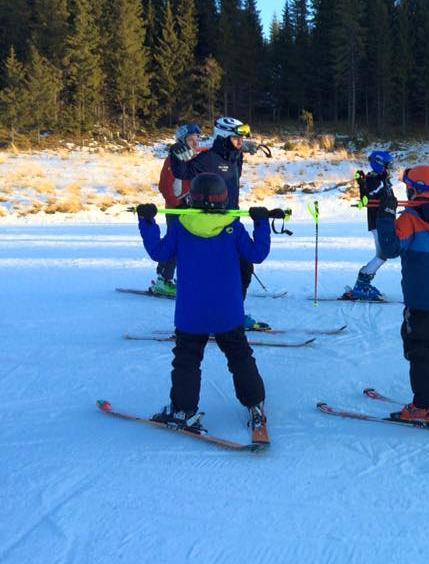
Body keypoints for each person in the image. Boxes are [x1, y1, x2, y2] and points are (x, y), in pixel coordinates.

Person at [136, 173, 272, 433]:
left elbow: (159, 252)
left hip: (191, 312)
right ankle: (255, 403)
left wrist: (147, 221)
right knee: (239, 356)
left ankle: (182, 408)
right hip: (227, 310)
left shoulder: (182, 226)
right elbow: (257, 253)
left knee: (187, 360)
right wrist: (262, 223)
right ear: (224, 199)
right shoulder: (233, 227)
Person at [169, 116, 267, 330]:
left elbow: (234, 157)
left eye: (241, 139)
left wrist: (244, 147)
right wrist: (175, 155)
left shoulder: (234, 156)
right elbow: (182, 172)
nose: (240, 142)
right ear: (223, 137)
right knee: (222, 274)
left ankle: (233, 313)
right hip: (212, 229)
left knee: (243, 270)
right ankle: (219, 317)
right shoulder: (209, 159)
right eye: (236, 138)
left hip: (231, 223)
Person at [377, 165, 429, 422]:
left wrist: (385, 215)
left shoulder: (410, 218)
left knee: (420, 352)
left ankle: (423, 407)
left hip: (420, 304)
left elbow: (388, 248)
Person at [150, 123, 202, 297]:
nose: (196, 141)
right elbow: (165, 186)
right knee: (174, 244)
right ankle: (163, 280)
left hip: (193, 210)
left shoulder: (198, 158)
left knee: (191, 246)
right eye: (191, 139)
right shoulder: (173, 159)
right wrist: (177, 203)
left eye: (198, 138)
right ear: (182, 140)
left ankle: (185, 279)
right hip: (177, 210)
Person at [342, 150, 395, 301]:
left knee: (383, 255)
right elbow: (367, 197)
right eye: (388, 165)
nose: (390, 168)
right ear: (379, 164)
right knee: (382, 255)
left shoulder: (382, 179)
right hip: (378, 221)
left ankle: (363, 283)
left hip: (385, 220)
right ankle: (361, 285)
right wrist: (362, 185)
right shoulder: (375, 179)